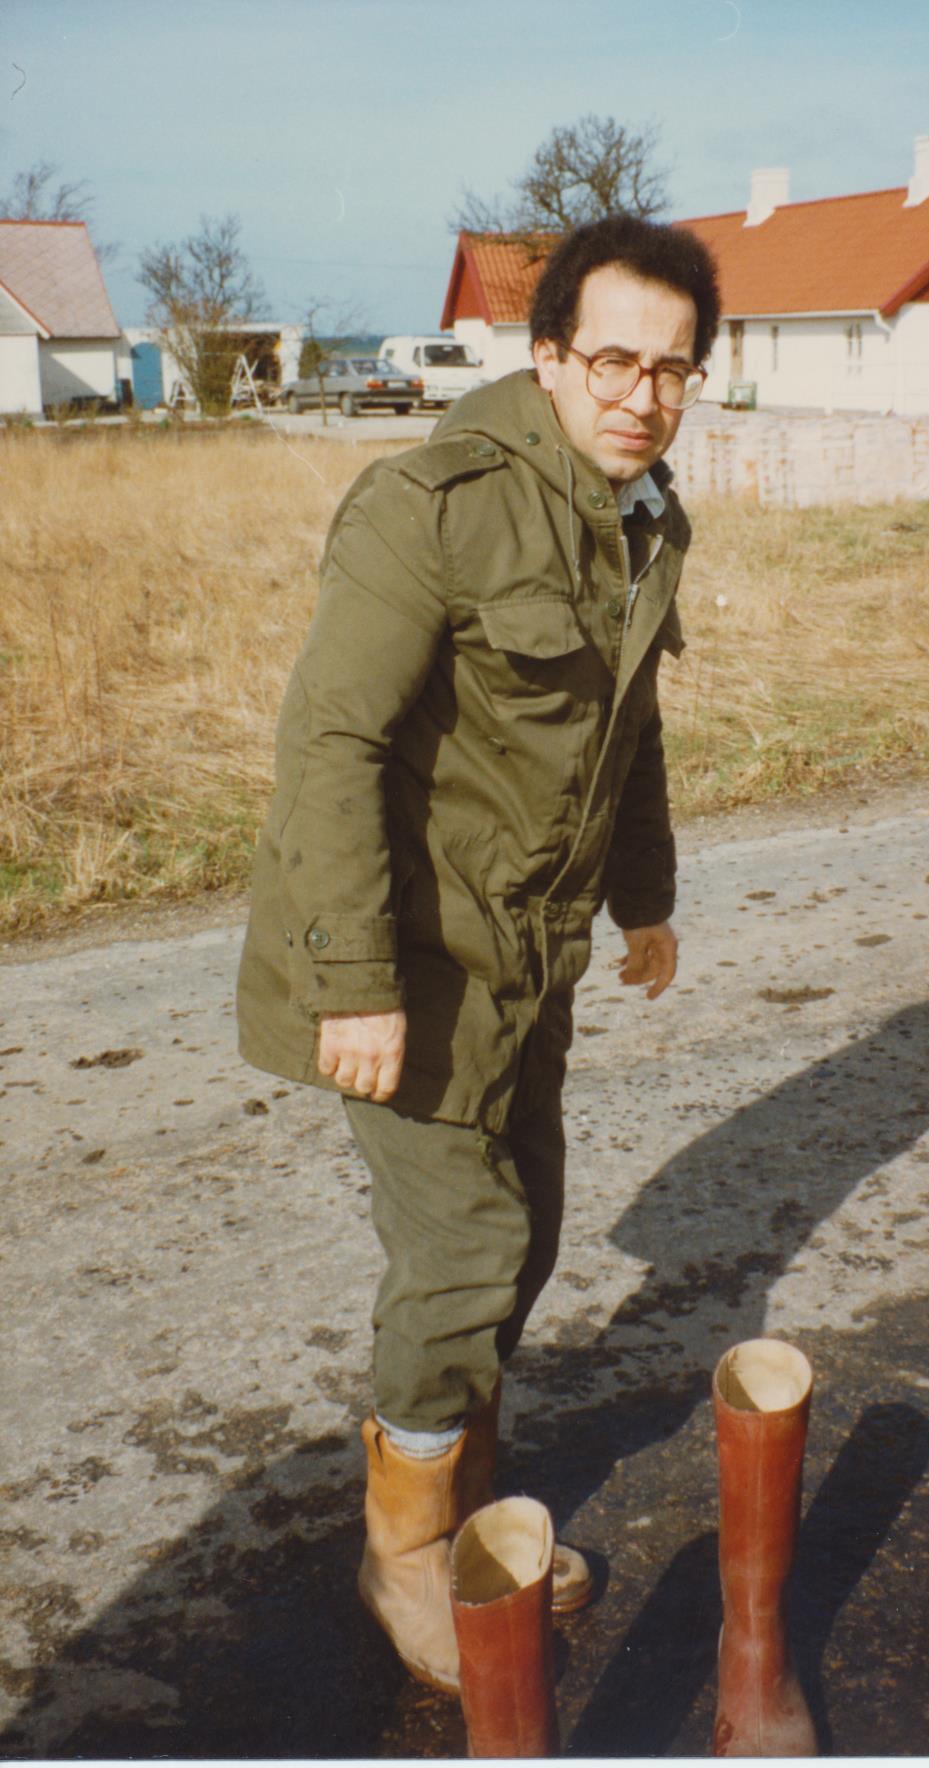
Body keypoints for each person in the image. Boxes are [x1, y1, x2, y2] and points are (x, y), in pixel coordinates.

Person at [235, 213, 721, 1694]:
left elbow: (628, 731)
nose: (642, 396)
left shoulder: (643, 519)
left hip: (531, 959)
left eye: (674, 369)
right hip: (409, 954)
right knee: (463, 1254)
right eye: (613, 361)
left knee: (531, 1230)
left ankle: (462, 1496)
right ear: (549, 354)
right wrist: (355, 985)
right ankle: (401, 1552)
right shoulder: (431, 506)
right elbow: (329, 744)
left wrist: (644, 897)